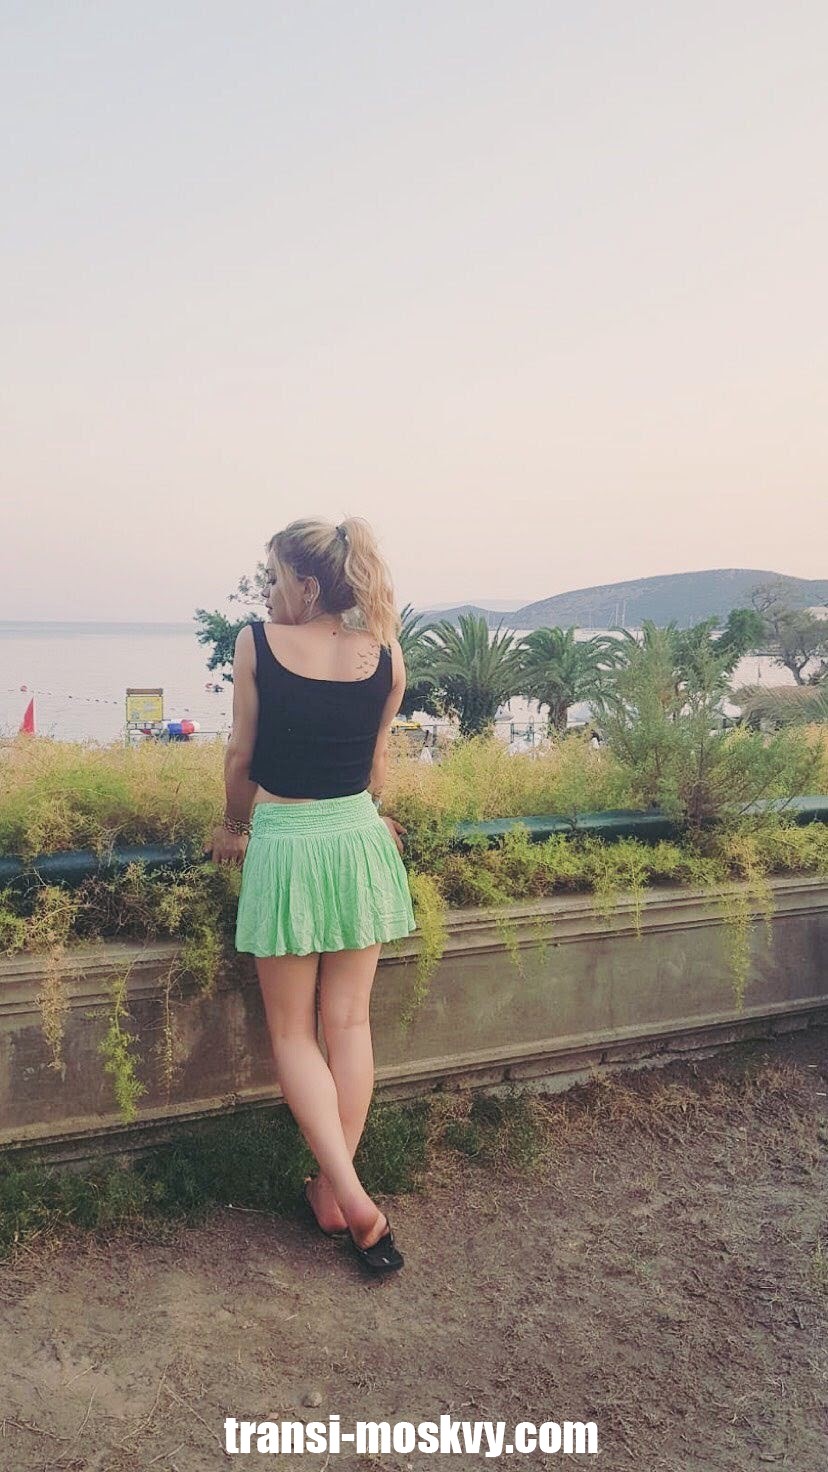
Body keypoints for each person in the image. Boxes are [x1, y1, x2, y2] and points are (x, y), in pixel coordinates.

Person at [206, 516, 416, 1276]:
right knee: (349, 1023)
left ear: (305, 583)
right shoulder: (385, 654)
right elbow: (376, 765)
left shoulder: (256, 644)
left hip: (288, 844)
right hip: (360, 839)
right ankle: (331, 1195)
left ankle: (353, 1202)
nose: (268, 592)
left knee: (295, 1034)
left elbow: (241, 756)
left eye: (273, 578)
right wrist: (369, 815)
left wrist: (233, 827)